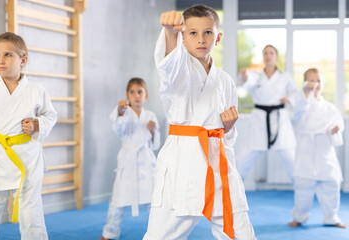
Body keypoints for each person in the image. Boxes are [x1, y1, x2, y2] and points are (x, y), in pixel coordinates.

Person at [143, 5, 256, 240]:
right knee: (159, 237)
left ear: (218, 38)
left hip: (219, 162)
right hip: (182, 163)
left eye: (208, 32)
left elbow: (227, 137)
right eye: (192, 33)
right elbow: (168, 63)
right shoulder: (178, 69)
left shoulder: (225, 81)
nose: (201, 39)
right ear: (183, 37)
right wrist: (169, 32)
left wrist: (228, 128)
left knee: (241, 233)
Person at [0, 32, 57, 239]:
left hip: (27, 159)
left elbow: (50, 115)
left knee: (31, 214)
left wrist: (37, 124)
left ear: (23, 60)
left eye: (8, 55)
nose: (1, 60)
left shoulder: (36, 90)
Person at [99, 77, 160, 240]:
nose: (136, 95)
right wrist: (120, 112)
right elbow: (119, 130)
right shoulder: (123, 111)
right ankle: (109, 233)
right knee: (118, 200)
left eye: (140, 92)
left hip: (146, 163)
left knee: (154, 201)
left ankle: (162, 232)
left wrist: (152, 131)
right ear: (127, 95)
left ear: (146, 95)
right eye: (132, 92)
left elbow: (155, 145)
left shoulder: (150, 115)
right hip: (128, 162)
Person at [288, 68, 346, 228]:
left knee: (331, 184)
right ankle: (299, 216)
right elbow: (296, 119)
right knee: (303, 188)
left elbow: (338, 123)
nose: (315, 84)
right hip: (306, 150)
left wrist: (336, 130)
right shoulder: (299, 103)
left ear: (323, 84)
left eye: (318, 81)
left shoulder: (330, 108)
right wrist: (305, 97)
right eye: (311, 80)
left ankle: (331, 217)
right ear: (305, 83)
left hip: (324, 150)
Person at [236, 45, 297, 181]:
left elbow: (295, 94)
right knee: (243, 159)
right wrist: (244, 75)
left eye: (271, 53)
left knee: (292, 160)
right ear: (263, 57)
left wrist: (289, 99)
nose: (268, 56)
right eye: (265, 53)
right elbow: (245, 84)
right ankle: (231, 195)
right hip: (260, 118)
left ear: (276, 57)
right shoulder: (256, 76)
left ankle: (303, 196)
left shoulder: (285, 76)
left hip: (280, 119)